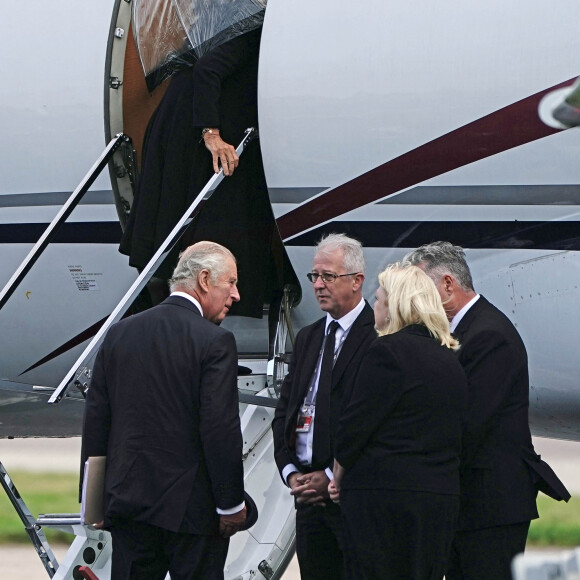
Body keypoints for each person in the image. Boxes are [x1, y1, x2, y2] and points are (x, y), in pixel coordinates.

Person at [81, 241, 248, 580]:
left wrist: (93, 502)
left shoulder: (119, 334)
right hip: (192, 512)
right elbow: (219, 429)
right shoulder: (214, 341)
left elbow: (97, 421)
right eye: (230, 282)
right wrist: (231, 505)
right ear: (204, 279)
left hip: (129, 506)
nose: (237, 294)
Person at [403, 241, 570, 580]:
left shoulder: (489, 335)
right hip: (466, 505)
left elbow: (465, 424)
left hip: (489, 509)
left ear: (448, 285)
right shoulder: (457, 332)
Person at [119, 26, 283, 318]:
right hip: (195, 135)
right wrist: (212, 133)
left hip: (180, 125)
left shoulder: (220, 19)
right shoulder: (250, 25)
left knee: (171, 224)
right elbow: (208, 69)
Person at [330, 263, 468, 580]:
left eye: (377, 299)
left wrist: (338, 476)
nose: (373, 306)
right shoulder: (450, 358)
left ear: (395, 307)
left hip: (386, 504)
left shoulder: (386, 352)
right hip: (439, 500)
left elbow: (352, 430)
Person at [272, 233, 376, 580]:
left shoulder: (379, 338)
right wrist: (291, 474)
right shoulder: (310, 337)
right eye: (314, 276)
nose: (318, 285)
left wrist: (331, 477)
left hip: (350, 498)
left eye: (328, 276)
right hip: (306, 498)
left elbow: (374, 421)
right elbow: (285, 412)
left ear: (357, 281)